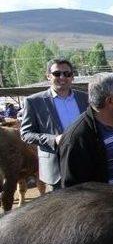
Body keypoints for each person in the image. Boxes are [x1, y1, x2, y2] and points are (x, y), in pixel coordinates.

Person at [20, 58, 88, 190]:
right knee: (59, 209)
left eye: (67, 74)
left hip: (85, 162)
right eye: (57, 73)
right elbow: (26, 134)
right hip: (55, 168)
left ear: (72, 77)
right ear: (48, 76)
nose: (62, 77)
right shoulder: (34, 101)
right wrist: (54, 139)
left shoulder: (84, 98)